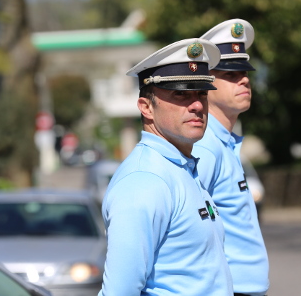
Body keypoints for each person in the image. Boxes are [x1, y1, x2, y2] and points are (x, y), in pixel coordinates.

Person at [98, 38, 233, 295]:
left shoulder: (179, 168)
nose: (196, 105)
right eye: (180, 94)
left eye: (201, 94)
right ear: (146, 107)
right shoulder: (145, 181)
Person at [193, 19, 270, 296]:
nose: (245, 79)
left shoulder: (223, 143)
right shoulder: (204, 147)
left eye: (245, 72)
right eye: (231, 75)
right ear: (206, 83)